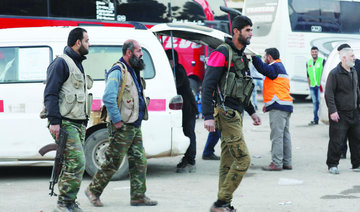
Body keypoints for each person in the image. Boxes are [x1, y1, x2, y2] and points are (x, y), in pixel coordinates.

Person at [85, 40, 158, 206]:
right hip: (123, 126)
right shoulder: (117, 71)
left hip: (134, 125)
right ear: (129, 53)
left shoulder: (133, 70)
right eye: (139, 51)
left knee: (139, 160)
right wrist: (117, 121)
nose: (141, 54)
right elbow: (108, 98)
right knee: (114, 161)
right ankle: (93, 190)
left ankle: (138, 196)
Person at [202, 15, 261, 212]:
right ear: (236, 31)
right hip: (226, 114)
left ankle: (223, 204)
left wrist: (252, 112)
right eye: (247, 30)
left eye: (251, 30)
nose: (251, 34)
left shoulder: (242, 56)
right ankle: (221, 201)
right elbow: (208, 85)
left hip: (236, 113)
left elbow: (242, 88)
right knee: (243, 158)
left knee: (227, 162)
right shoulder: (222, 53)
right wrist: (208, 115)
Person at [43, 27, 91, 212]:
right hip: (64, 122)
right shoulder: (61, 63)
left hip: (77, 123)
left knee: (73, 163)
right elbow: (50, 94)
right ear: (77, 42)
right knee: (77, 161)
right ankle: (63, 203)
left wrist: (84, 123)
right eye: (87, 40)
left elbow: (79, 96)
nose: (89, 44)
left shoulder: (77, 63)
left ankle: (69, 202)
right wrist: (54, 121)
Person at [252, 48, 293, 171]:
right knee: (285, 135)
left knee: (277, 136)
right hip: (285, 105)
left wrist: (254, 57)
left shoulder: (275, 66)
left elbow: (262, 68)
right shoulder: (280, 67)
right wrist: (268, 105)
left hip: (279, 107)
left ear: (269, 57)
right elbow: (277, 88)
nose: (264, 59)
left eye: (265, 57)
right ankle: (286, 162)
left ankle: (276, 163)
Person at [325, 47, 360, 174]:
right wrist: (333, 111)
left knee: (357, 140)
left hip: (354, 112)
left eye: (353, 55)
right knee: (337, 140)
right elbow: (329, 94)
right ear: (343, 58)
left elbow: (356, 90)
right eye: (352, 56)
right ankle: (332, 164)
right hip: (340, 113)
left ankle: (357, 164)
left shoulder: (353, 71)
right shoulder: (334, 74)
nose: (354, 57)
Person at [165, 49, 198, 173]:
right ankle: (187, 158)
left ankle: (190, 160)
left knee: (189, 132)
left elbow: (175, 86)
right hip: (183, 107)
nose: (169, 62)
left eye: (170, 60)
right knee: (186, 132)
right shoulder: (172, 70)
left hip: (188, 107)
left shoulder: (179, 70)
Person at [336, 43, 360, 159]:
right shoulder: (339, 69)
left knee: (354, 132)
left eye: (340, 53)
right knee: (345, 130)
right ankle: (342, 151)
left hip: (356, 102)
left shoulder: (357, 65)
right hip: (346, 104)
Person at [307, 46, 325, 125]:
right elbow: (308, 75)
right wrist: (309, 85)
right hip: (312, 86)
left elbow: (325, 73)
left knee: (320, 103)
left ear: (318, 52)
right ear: (311, 53)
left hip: (319, 86)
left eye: (315, 52)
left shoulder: (322, 61)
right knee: (315, 103)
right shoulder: (308, 62)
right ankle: (315, 119)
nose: (314, 53)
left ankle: (322, 118)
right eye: (313, 52)